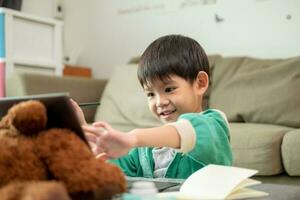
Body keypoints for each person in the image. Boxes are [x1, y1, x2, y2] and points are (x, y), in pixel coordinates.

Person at [72, 34, 232, 179]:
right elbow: (108, 168)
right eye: (150, 94)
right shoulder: (144, 150)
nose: (159, 101)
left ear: (200, 83)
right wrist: (83, 130)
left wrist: (132, 138)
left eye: (169, 89)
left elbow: (187, 131)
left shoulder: (213, 124)